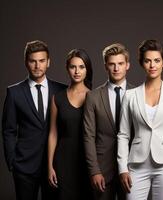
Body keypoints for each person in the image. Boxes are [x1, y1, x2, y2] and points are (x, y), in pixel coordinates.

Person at [118, 39, 163, 200]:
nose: (152, 65)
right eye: (148, 61)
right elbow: (123, 135)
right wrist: (122, 168)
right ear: (142, 63)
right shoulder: (130, 95)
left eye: (157, 60)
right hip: (136, 163)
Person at [2, 40, 67, 200]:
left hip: (54, 166)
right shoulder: (14, 92)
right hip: (24, 166)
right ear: (26, 63)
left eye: (41, 61)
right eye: (33, 61)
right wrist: (13, 161)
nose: (37, 66)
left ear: (48, 62)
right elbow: (8, 130)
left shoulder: (62, 90)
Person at [83, 43, 134, 200]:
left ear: (128, 65)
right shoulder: (93, 97)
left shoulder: (138, 94)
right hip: (102, 168)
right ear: (106, 66)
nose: (116, 68)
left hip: (131, 168)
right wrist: (94, 171)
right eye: (112, 64)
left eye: (120, 64)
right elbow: (88, 136)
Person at [47, 49, 93, 199]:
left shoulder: (95, 96)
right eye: (73, 67)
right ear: (67, 68)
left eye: (81, 67)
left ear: (87, 69)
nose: (77, 71)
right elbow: (53, 133)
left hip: (87, 161)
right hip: (63, 161)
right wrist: (49, 166)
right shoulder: (57, 98)